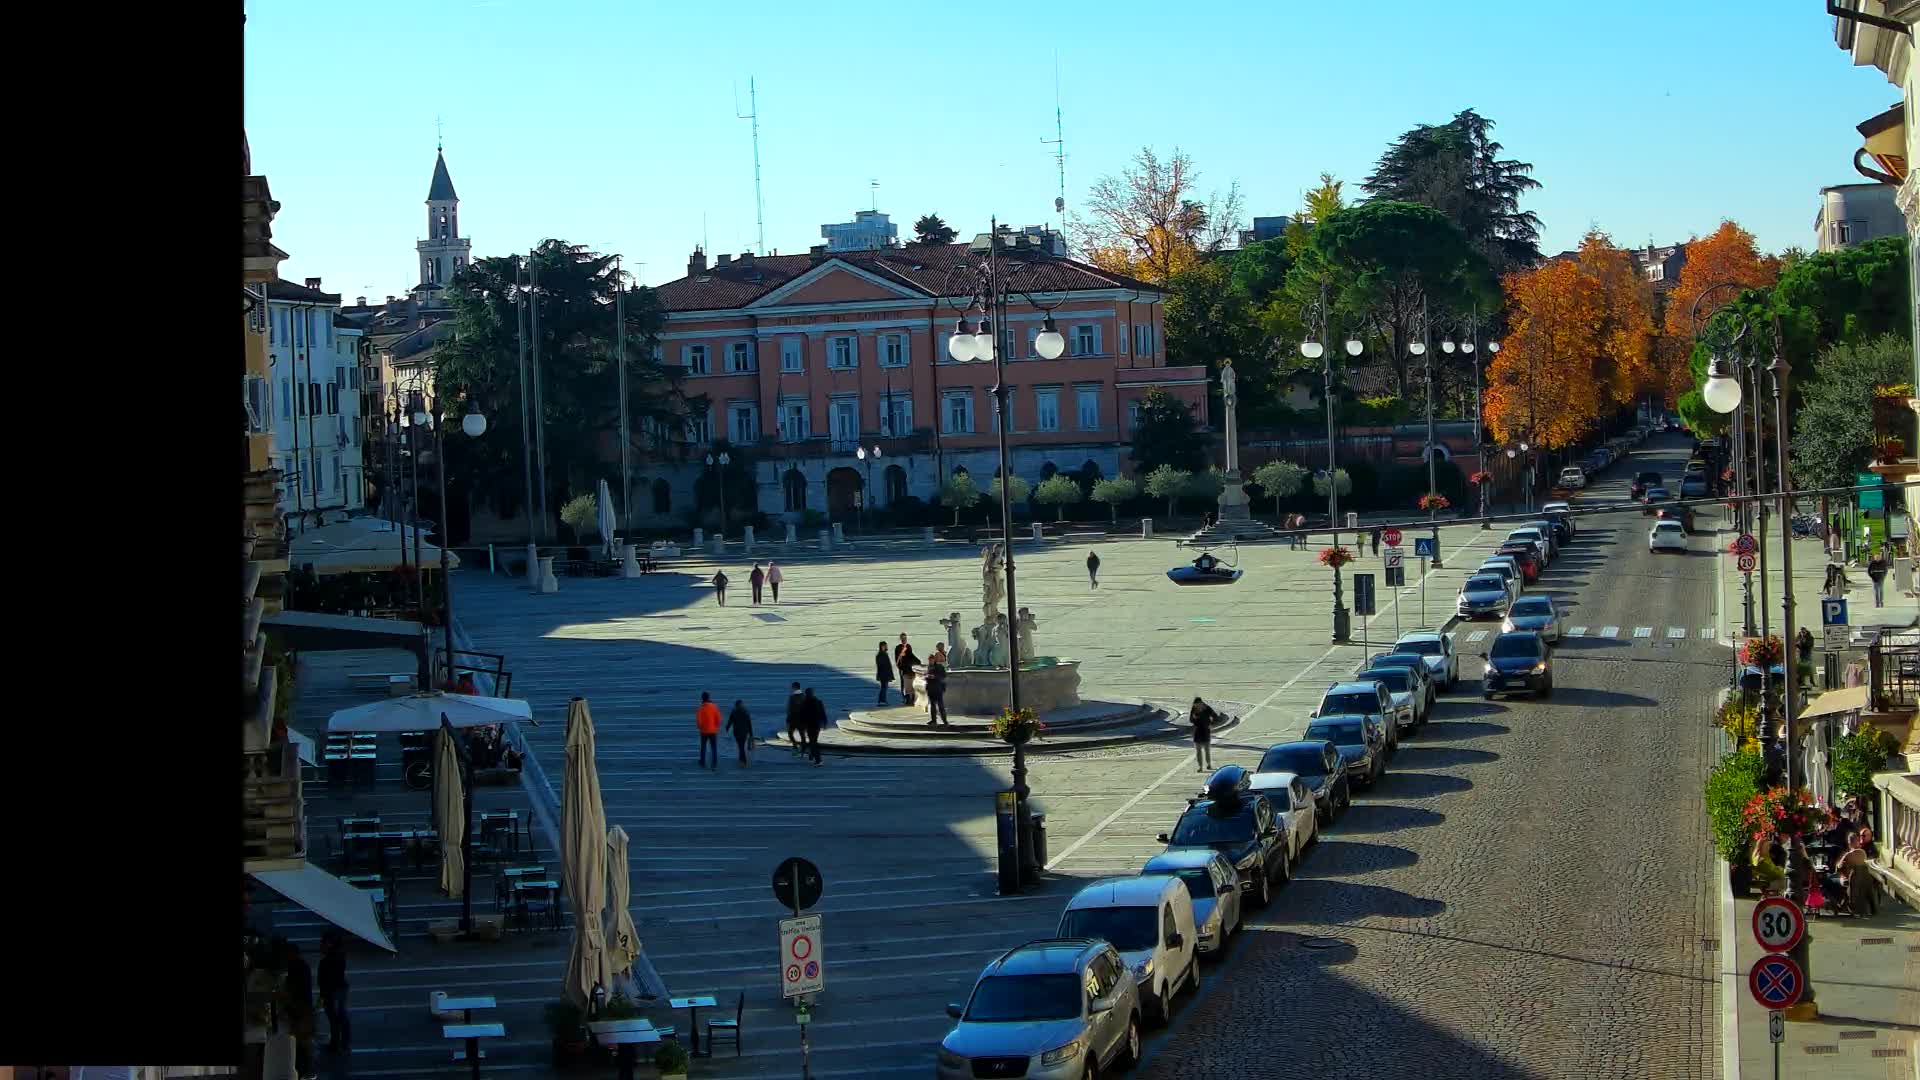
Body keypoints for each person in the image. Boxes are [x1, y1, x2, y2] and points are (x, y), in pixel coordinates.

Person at [282, 940, 316, 1080]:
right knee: (303, 1041)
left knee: (301, 1041)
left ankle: (303, 1068)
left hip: (300, 1008)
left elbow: (293, 989)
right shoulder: (303, 966)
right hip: (303, 1008)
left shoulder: (295, 967)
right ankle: (304, 1068)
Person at [318, 931, 349, 1053]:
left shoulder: (329, 960)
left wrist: (325, 993)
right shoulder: (338, 956)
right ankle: (342, 1043)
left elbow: (327, 979)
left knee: (335, 1018)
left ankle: (337, 1044)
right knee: (339, 1017)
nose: (320, 946)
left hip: (333, 991)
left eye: (323, 943)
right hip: (337, 989)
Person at [1188, 697, 1220, 772]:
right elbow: (1191, 720)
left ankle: (1209, 764)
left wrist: (1211, 724)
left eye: (1197, 705)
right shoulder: (1194, 709)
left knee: (1207, 750)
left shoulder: (1207, 708)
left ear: (1201, 703)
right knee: (1198, 751)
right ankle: (1200, 767)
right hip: (1197, 731)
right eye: (1195, 705)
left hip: (1206, 731)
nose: (1196, 706)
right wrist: (1194, 718)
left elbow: (1216, 717)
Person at [799, 687, 827, 766]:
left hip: (810, 725)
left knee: (813, 742)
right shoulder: (818, 702)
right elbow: (823, 713)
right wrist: (824, 722)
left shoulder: (804, 703)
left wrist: (801, 725)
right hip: (816, 725)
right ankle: (812, 756)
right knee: (813, 741)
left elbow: (802, 715)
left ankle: (818, 760)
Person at [925, 644, 950, 727]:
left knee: (941, 705)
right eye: (929, 660)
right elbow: (927, 676)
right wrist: (927, 677)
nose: (930, 661)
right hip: (931, 689)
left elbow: (943, 676)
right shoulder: (929, 667)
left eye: (931, 660)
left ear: (934, 660)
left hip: (938, 689)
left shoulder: (939, 667)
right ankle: (933, 720)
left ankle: (945, 721)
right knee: (932, 706)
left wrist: (934, 677)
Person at [695, 691, 722, 771]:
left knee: (703, 747)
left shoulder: (701, 708)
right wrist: (715, 727)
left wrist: (701, 727)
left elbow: (699, 721)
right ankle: (714, 762)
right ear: (709, 698)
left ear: (702, 698)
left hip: (704, 731)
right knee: (714, 747)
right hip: (713, 731)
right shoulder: (714, 707)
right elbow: (718, 719)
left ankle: (702, 761)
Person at [726, 699, 754, 767]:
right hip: (744, 732)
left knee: (740, 746)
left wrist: (727, 728)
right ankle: (741, 760)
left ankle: (743, 761)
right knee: (741, 746)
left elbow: (730, 721)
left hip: (737, 732)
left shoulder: (734, 711)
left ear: (736, 705)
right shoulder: (746, 712)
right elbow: (749, 724)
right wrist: (751, 735)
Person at [895, 634, 920, 707]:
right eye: (903, 638)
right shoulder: (898, 648)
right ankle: (905, 697)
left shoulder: (908, 646)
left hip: (909, 668)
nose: (904, 640)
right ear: (900, 639)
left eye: (905, 638)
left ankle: (911, 698)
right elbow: (897, 658)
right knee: (903, 683)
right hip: (902, 668)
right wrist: (900, 667)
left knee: (911, 683)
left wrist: (918, 661)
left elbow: (911, 655)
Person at [785, 681, 805, 755]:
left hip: (793, 719)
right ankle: (803, 750)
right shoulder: (804, 696)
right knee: (802, 735)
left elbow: (789, 709)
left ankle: (795, 747)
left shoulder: (792, 697)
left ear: (794, 687)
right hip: (802, 719)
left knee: (790, 734)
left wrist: (788, 719)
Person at [874, 641, 894, 706]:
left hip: (884, 673)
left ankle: (881, 700)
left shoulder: (883, 654)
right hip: (883, 674)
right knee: (884, 688)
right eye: (885, 646)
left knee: (883, 687)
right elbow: (881, 665)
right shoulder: (881, 654)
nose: (886, 647)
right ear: (882, 646)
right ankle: (883, 701)